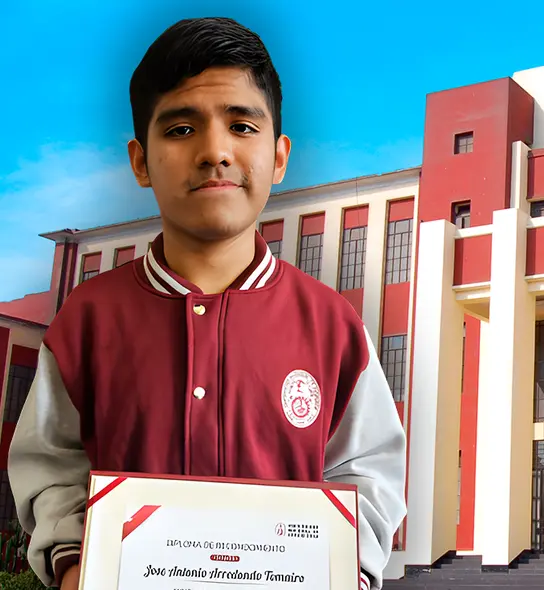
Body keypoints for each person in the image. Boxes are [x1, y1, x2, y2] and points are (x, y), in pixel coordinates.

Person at [7, 16, 406, 590]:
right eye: (180, 129)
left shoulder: (333, 328)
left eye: (242, 125)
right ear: (140, 160)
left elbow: (368, 475)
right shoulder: (86, 321)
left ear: (279, 156)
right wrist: (74, 562)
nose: (215, 151)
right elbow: (52, 467)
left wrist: (349, 571)